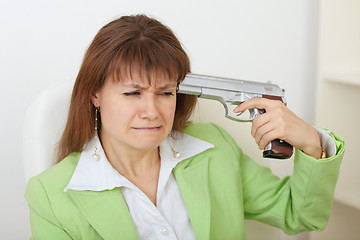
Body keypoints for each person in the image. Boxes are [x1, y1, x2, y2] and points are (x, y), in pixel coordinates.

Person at [25, 14, 345, 240]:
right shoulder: (50, 196)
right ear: (95, 94)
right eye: (133, 93)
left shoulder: (215, 148)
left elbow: (300, 216)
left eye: (165, 93)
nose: (151, 111)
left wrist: (312, 145)